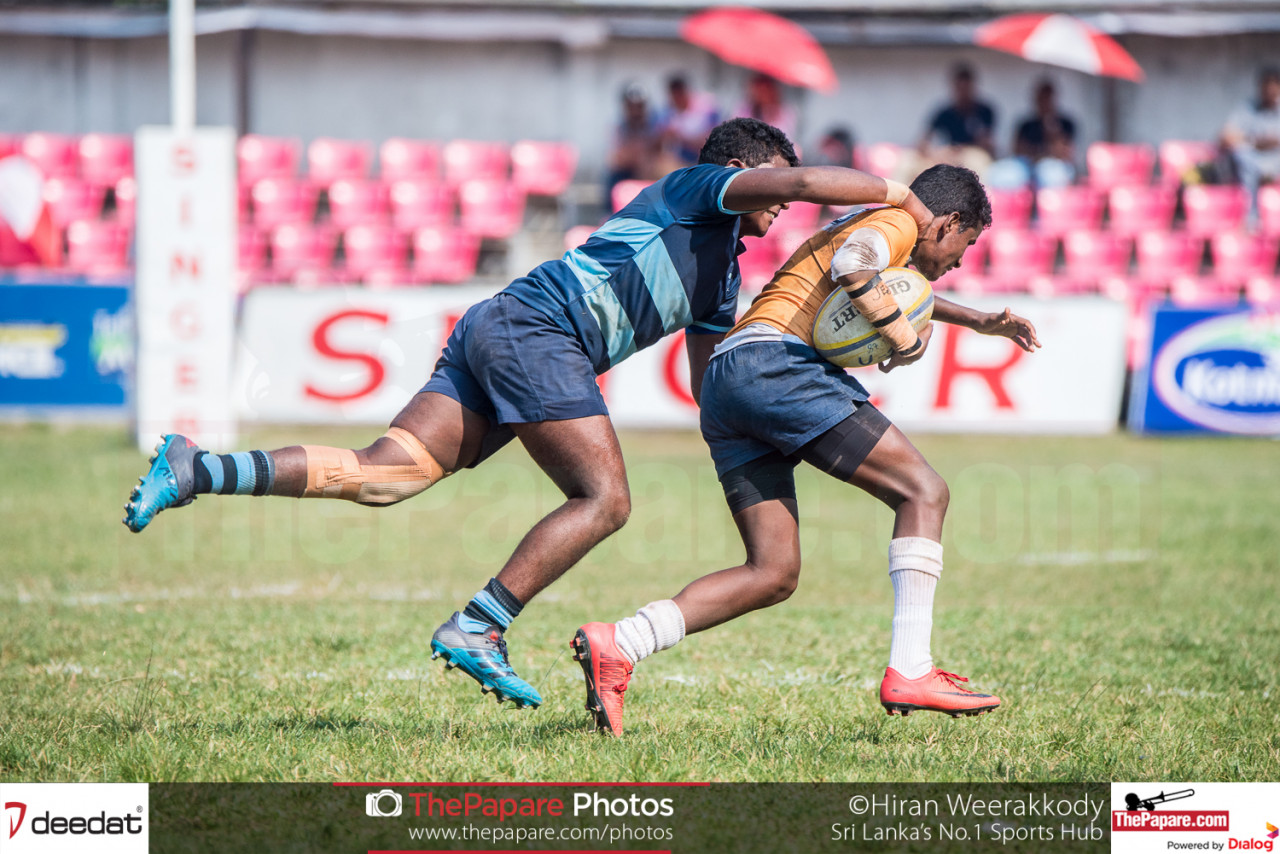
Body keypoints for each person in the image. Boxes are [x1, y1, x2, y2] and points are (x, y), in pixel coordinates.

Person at [123, 118, 936, 712]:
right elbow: (798, 184)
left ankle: (196, 469)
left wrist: (763, 412)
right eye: (772, 189)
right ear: (741, 168)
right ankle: (481, 625)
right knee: (606, 501)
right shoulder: (697, 190)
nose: (781, 214)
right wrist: (896, 192)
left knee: (386, 475)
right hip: (541, 333)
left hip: (501, 325)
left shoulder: (724, 277)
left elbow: (707, 378)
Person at [570, 164, 1041, 736]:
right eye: (963, 247)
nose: (959, 262)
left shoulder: (874, 226)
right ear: (949, 222)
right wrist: (900, 336)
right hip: (776, 365)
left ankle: (620, 642)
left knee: (773, 572)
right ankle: (912, 669)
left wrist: (978, 321)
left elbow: (894, 285)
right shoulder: (896, 219)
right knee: (924, 491)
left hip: (729, 377)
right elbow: (854, 269)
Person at [1221, 66, 1280, 227]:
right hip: (1253, 163)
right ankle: (1251, 219)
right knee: (1242, 155)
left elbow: (1275, 141)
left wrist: (1269, 142)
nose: (1269, 89)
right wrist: (1255, 141)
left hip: (1276, 162)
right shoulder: (1248, 108)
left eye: (1274, 85)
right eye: (1265, 85)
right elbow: (1226, 137)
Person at [917, 64, 997, 175]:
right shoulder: (945, 113)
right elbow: (924, 142)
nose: (963, 93)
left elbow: (987, 145)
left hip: (971, 154)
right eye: (959, 88)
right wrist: (937, 152)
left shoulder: (984, 111)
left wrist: (961, 150)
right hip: (948, 154)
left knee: (977, 161)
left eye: (966, 88)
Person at [1011, 79, 1077, 188]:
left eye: (1047, 98)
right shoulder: (1026, 124)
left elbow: (1066, 154)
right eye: (1041, 98)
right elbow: (1018, 151)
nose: (1044, 102)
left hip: (1054, 169)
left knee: (1051, 175)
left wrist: (1053, 132)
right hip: (1029, 167)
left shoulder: (1066, 124)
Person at [605, 83, 661, 209]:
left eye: (639, 106)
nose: (635, 111)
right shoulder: (619, 127)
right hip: (626, 174)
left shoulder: (654, 125)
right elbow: (616, 159)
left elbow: (659, 157)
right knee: (613, 176)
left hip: (650, 175)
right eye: (632, 106)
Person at [656, 74, 721, 173]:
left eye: (679, 94)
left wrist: (680, 136)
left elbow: (709, 142)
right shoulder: (668, 113)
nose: (677, 99)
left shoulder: (706, 109)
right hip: (680, 162)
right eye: (674, 95)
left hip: (704, 161)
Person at [735, 74, 799, 142]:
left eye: (764, 90)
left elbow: (784, 135)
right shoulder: (747, 108)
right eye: (759, 90)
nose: (761, 95)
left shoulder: (784, 112)